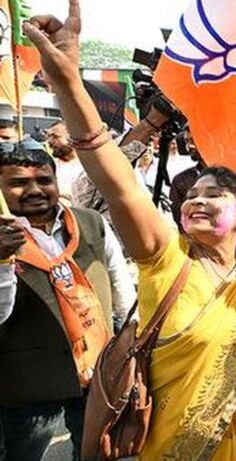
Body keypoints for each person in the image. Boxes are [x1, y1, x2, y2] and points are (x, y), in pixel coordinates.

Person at [24, 0, 236, 459]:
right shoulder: (166, 257)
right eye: (192, 195)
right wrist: (68, 82)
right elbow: (118, 185)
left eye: (215, 195)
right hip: (167, 446)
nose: (197, 200)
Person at [0, 140, 136, 460]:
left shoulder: (90, 222)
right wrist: (3, 260)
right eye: (18, 183)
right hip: (26, 382)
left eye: (44, 180)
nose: (35, 190)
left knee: (96, 452)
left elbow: (119, 284)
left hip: (97, 370)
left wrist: (130, 340)